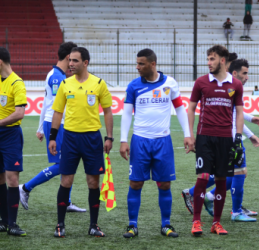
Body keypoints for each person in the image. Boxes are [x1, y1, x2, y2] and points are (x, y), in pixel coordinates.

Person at [119, 48, 193, 238]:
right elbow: (127, 113)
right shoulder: (133, 86)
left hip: (163, 141)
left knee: (165, 184)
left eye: (141, 64)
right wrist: (123, 140)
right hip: (140, 141)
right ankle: (132, 225)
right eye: (137, 63)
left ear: (153, 64)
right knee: (135, 183)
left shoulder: (170, 83)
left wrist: (188, 134)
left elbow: (180, 109)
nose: (137, 67)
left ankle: (166, 225)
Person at [182, 58, 259, 222]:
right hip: (227, 138)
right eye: (244, 73)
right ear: (234, 72)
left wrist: (250, 126)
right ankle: (235, 210)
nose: (247, 77)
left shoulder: (233, 88)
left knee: (233, 173)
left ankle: (201, 195)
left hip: (232, 136)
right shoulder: (227, 86)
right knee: (237, 173)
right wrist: (249, 134)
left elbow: (236, 114)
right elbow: (234, 116)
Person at [48, 47, 113, 238]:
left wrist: (109, 137)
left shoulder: (99, 83)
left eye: (75, 61)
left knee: (93, 182)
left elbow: (108, 111)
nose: (70, 64)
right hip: (70, 138)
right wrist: (53, 137)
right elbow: (58, 112)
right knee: (66, 180)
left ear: (85, 63)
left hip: (92, 138)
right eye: (70, 60)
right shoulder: (65, 84)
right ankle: (60, 224)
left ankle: (94, 225)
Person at [18, 42, 85, 213]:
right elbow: (58, 106)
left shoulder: (57, 75)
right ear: (68, 57)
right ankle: (25, 188)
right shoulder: (57, 77)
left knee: (67, 163)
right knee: (62, 164)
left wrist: (40, 128)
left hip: (58, 123)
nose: (74, 63)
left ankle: (67, 201)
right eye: (73, 58)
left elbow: (46, 104)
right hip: (58, 124)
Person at [189, 45, 244, 236]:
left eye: (212, 59)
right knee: (203, 177)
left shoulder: (235, 84)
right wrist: (190, 135)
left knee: (221, 179)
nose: (208, 63)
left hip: (225, 139)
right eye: (207, 59)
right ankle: (196, 221)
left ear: (222, 60)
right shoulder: (201, 82)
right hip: (204, 137)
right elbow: (191, 108)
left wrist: (238, 137)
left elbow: (239, 112)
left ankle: (216, 223)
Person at [0, 47, 27, 236]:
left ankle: (13, 224)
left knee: (12, 179)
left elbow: (19, 113)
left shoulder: (17, 83)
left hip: (10, 135)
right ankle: (3, 221)